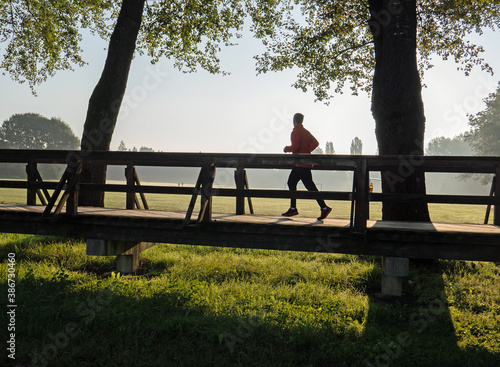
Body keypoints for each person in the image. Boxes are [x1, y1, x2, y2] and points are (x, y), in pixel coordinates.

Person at [282, 113, 332, 220]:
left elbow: (295, 146)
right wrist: (307, 151)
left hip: (300, 163)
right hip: (305, 162)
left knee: (309, 186)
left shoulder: (295, 131)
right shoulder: (306, 132)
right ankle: (293, 208)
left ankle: (323, 207)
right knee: (293, 182)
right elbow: (316, 143)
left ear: (294, 120)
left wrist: (286, 149)